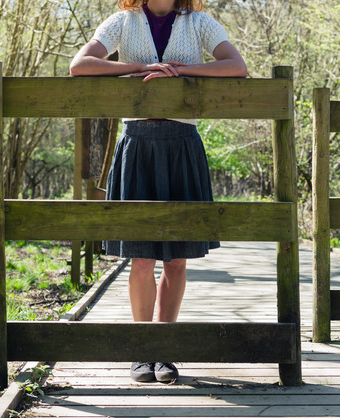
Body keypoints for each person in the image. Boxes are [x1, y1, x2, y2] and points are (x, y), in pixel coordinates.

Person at [70, 0, 247, 383]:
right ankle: (141, 349)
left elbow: (237, 66)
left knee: (177, 259)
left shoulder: (199, 22)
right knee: (140, 257)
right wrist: (141, 67)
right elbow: (79, 65)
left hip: (182, 145)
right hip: (137, 145)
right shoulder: (122, 21)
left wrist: (182, 71)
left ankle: (164, 351)